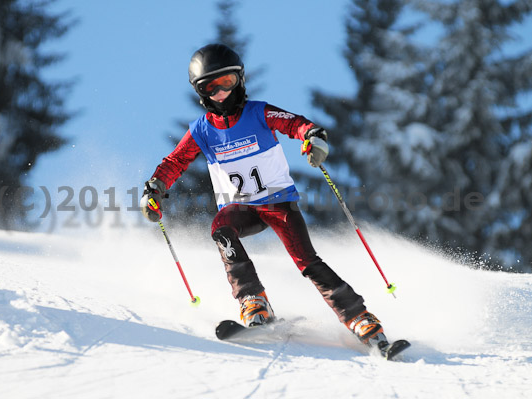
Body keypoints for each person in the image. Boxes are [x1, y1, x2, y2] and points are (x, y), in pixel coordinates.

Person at [140, 43, 387, 348]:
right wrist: (155, 187)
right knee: (222, 228)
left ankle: (360, 318)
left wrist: (312, 136)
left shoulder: (258, 112)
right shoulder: (202, 129)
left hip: (278, 203)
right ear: (201, 93)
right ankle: (253, 301)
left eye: (227, 83)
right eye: (211, 87)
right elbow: (175, 161)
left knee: (307, 261)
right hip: (240, 208)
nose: (221, 94)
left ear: (239, 80)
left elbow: (294, 123)